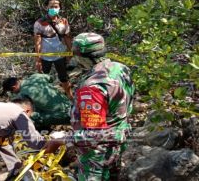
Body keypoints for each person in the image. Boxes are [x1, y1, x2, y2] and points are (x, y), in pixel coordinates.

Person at [44, 33, 135, 181]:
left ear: (83, 57)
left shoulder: (93, 86)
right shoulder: (121, 69)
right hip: (118, 143)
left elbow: (95, 135)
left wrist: (60, 141)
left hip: (97, 154)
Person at [34, 0, 73, 99]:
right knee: (43, 78)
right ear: (46, 7)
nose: (54, 8)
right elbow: (37, 42)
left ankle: (70, 96)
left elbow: (67, 37)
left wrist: (70, 53)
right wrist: (38, 60)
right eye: (51, 6)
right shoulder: (39, 23)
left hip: (61, 55)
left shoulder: (63, 21)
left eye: (56, 6)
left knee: (64, 78)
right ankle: (43, 99)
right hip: (45, 56)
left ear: (60, 7)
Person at [2, 73, 71, 130]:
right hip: (69, 104)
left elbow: (30, 113)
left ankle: (47, 129)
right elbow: (51, 78)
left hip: (64, 115)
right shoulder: (36, 76)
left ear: (14, 87)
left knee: (32, 115)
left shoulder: (22, 95)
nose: (13, 93)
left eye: (12, 91)